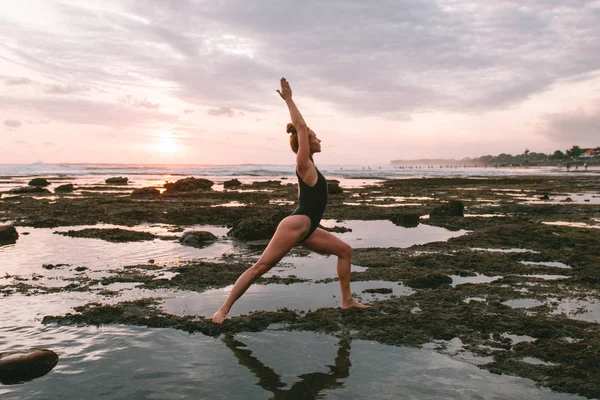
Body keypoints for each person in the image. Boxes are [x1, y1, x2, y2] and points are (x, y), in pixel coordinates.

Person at [211, 78, 368, 324]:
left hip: (308, 229)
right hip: (295, 225)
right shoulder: (303, 164)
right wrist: (289, 100)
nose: (319, 140)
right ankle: (222, 310)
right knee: (259, 269)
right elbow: (301, 127)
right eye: (315, 137)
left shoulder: (312, 166)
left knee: (345, 251)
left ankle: (347, 301)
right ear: (305, 143)